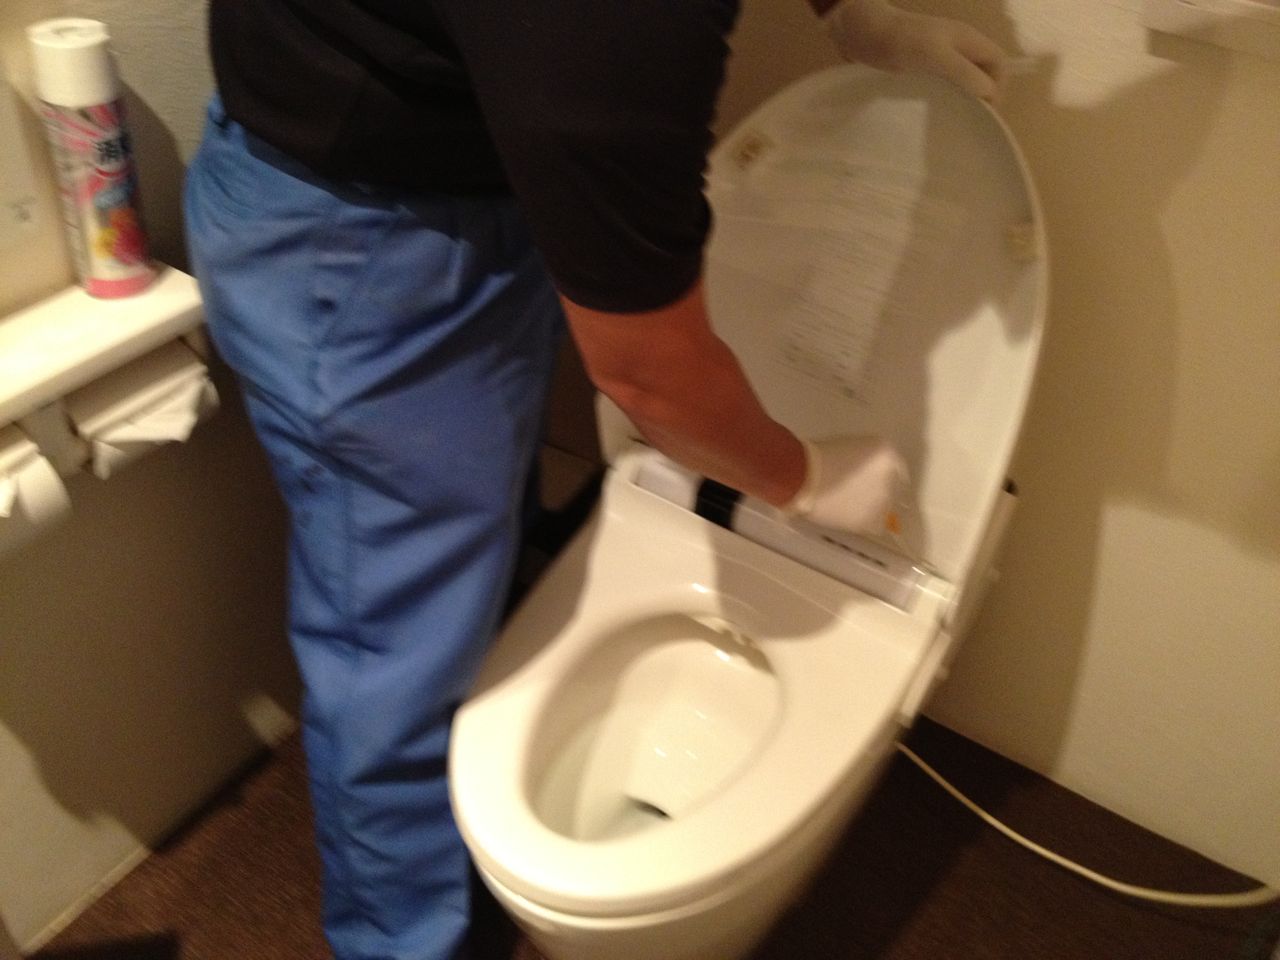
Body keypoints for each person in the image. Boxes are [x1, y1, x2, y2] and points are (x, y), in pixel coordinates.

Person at [184, 2, 1006, 958]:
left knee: (466, 566)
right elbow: (651, 374)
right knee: (398, 654)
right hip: (360, 242)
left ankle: (463, 810)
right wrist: (803, 478)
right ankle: (402, 940)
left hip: (465, 171)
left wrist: (849, 10)